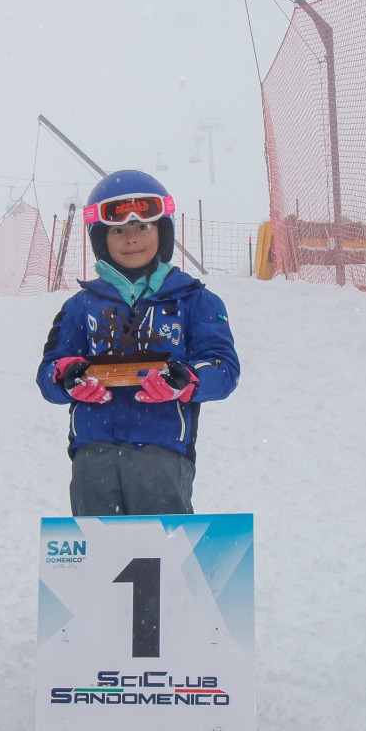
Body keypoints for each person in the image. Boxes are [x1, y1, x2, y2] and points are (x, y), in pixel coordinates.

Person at [37, 170, 240, 517]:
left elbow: (223, 367)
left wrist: (186, 380)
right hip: (93, 456)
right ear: (101, 238)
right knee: (101, 559)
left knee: (163, 556)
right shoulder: (79, 306)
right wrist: (68, 377)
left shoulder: (196, 301)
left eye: (143, 227)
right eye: (118, 230)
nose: (131, 238)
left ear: (163, 231)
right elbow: (49, 372)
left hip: (162, 453)